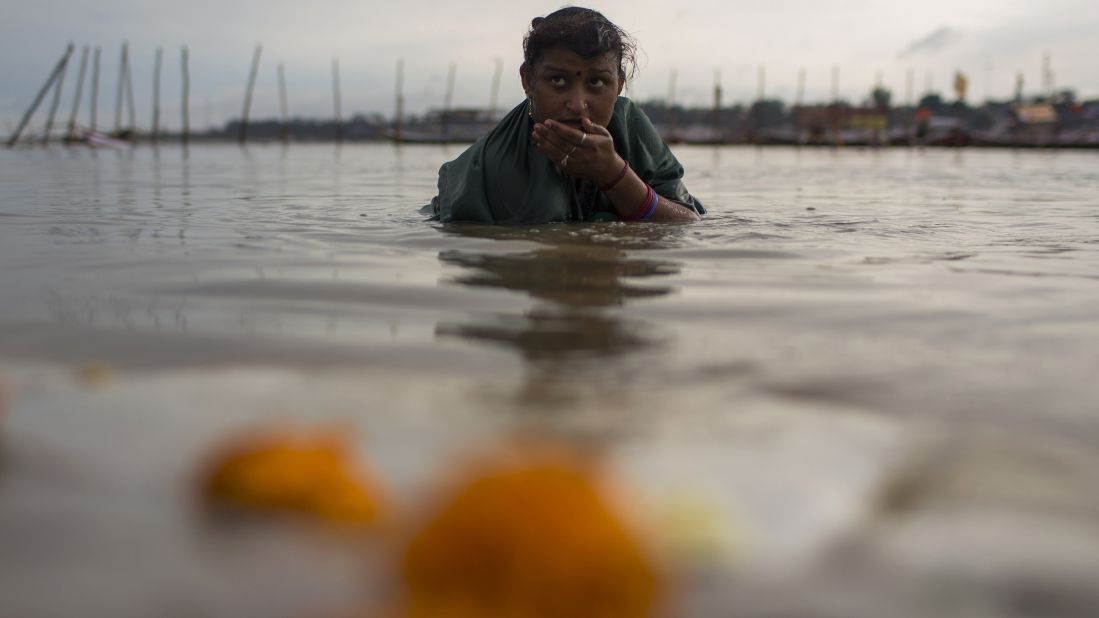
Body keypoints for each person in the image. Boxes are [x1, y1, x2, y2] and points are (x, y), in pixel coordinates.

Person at [425, 7, 704, 224]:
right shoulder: (495, 166)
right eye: (558, 81)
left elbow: (687, 223)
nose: (578, 104)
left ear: (618, 85)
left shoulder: (629, 124)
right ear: (528, 81)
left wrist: (613, 173)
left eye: (596, 83)